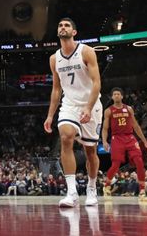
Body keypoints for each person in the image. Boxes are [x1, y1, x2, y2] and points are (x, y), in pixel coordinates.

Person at [43, 17, 103, 208]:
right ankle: (71, 192)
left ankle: (92, 188)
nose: (63, 27)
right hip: (69, 104)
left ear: (74, 32)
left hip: (91, 104)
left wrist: (88, 106)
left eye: (67, 25)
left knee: (90, 151)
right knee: (66, 136)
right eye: (60, 25)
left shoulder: (87, 51)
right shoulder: (54, 58)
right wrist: (50, 115)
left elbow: (96, 83)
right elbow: (56, 89)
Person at [101, 87, 147, 199]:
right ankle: (107, 185)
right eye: (114, 94)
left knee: (139, 161)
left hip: (130, 137)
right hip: (117, 138)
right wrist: (104, 141)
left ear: (122, 96)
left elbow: (136, 126)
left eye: (118, 94)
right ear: (112, 97)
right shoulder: (108, 110)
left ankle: (142, 190)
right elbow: (105, 129)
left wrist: (145, 142)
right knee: (116, 164)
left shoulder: (129, 109)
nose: (116, 96)